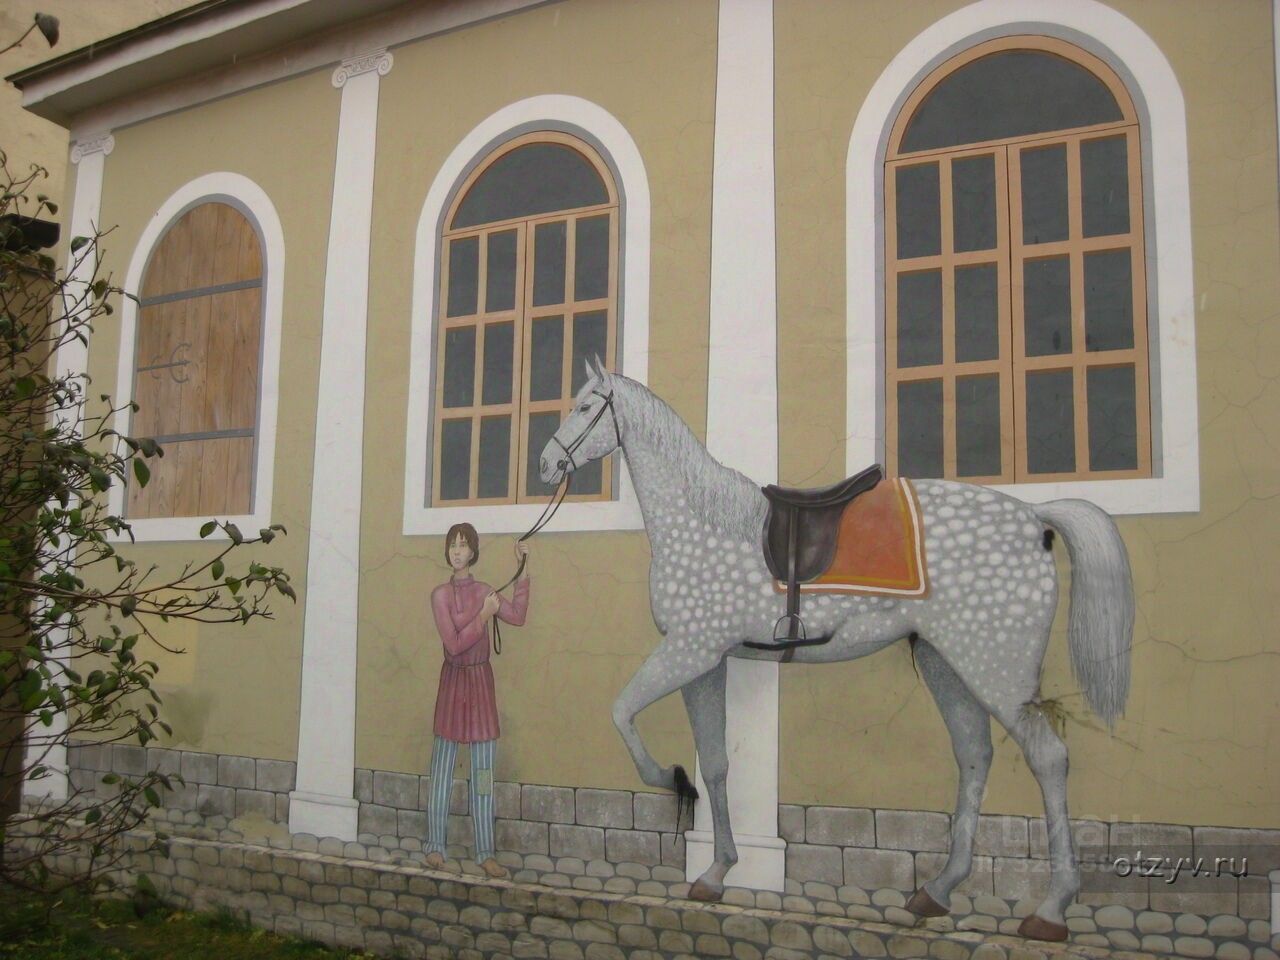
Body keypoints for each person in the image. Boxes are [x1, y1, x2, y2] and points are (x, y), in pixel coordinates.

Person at [424, 522, 530, 877]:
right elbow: (453, 645)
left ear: (473, 551)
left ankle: (485, 852)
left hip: (480, 684)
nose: (457, 551)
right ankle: (435, 845)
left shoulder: (485, 590)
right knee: (442, 770)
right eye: (452, 545)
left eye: (463, 545)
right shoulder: (440, 595)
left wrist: (523, 569)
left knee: (483, 773)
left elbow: (518, 616)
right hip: (453, 683)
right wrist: (483, 616)